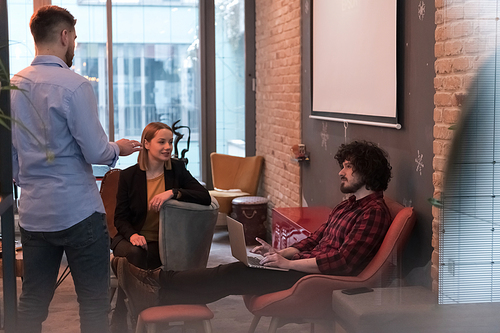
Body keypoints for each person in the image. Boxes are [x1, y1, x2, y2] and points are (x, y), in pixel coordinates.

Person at [114, 140, 393, 317]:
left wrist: (289, 264)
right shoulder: (349, 205)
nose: (340, 172)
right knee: (234, 272)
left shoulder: (373, 213)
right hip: (303, 268)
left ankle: (156, 283)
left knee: (232, 273)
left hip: (316, 279)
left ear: (367, 172)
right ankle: (155, 291)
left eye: (347, 167)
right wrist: (282, 252)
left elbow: (343, 262)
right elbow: (316, 237)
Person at [11, 5, 141, 333]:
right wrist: (118, 149)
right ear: (64, 36)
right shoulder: (74, 85)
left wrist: (28, 179)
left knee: (32, 301)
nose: (75, 45)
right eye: (75, 38)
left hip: (34, 214)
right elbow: (96, 150)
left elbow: (10, 157)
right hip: (78, 212)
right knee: (94, 303)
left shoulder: (11, 88)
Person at [110, 122, 211, 331]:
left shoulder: (177, 170)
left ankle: (128, 317)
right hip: (129, 239)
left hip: (162, 243)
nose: (168, 147)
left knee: (143, 262)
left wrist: (173, 192)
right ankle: (138, 316)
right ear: (146, 143)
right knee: (135, 255)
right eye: (161, 142)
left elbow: (204, 196)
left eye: (170, 142)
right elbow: (120, 218)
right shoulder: (129, 175)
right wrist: (133, 235)